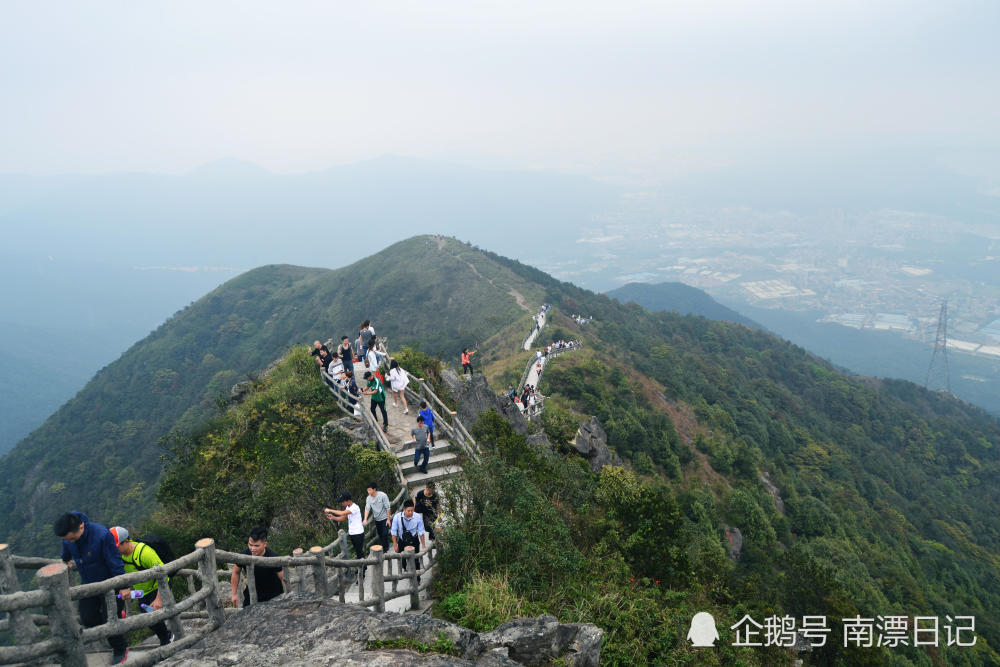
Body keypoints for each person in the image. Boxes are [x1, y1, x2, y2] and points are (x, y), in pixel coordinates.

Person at [54, 512, 130, 664]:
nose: (70, 541)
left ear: (81, 526)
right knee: (87, 619)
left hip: (110, 585)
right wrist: (65, 559)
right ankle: (116, 620)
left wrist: (123, 586)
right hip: (88, 584)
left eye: (72, 538)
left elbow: (115, 561)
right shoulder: (69, 539)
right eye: (67, 539)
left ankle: (121, 648)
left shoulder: (102, 535)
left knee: (110, 619)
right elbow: (67, 547)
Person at [110, 527, 172, 646]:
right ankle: (166, 637)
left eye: (117, 546)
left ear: (126, 542)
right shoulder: (120, 557)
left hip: (157, 587)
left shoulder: (144, 553)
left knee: (152, 616)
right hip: (143, 591)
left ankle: (166, 640)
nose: (115, 550)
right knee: (147, 618)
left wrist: (159, 599)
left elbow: (164, 575)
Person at [230, 526, 285, 608]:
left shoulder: (273, 557)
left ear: (265, 544)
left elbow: (283, 578)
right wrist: (234, 594)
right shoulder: (243, 554)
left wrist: (286, 596)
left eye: (256, 546)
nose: (252, 548)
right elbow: (236, 572)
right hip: (252, 592)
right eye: (250, 545)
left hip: (273, 594)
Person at [325, 492, 365, 578]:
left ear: (348, 500)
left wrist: (330, 510)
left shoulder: (355, 507)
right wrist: (333, 517)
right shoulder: (348, 507)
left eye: (343, 502)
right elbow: (342, 518)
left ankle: (362, 574)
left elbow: (342, 513)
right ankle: (363, 568)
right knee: (359, 552)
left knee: (359, 553)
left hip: (358, 533)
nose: (342, 503)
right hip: (353, 533)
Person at [391, 500, 427, 577]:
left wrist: (423, 545)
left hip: (414, 540)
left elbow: (421, 531)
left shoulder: (417, 517)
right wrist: (395, 544)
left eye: (412, 510)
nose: (410, 512)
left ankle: (417, 578)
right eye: (408, 511)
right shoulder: (397, 517)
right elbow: (394, 531)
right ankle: (405, 569)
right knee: (402, 559)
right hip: (402, 541)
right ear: (404, 509)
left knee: (416, 559)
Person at [362, 482, 392, 551]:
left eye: (369, 490)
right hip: (377, 519)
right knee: (380, 535)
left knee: (385, 534)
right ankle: (385, 547)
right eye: (367, 490)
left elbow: (388, 508)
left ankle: (385, 549)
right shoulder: (368, 498)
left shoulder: (383, 495)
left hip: (385, 518)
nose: (368, 491)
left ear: (374, 489)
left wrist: (388, 519)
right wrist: (365, 519)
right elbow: (367, 509)